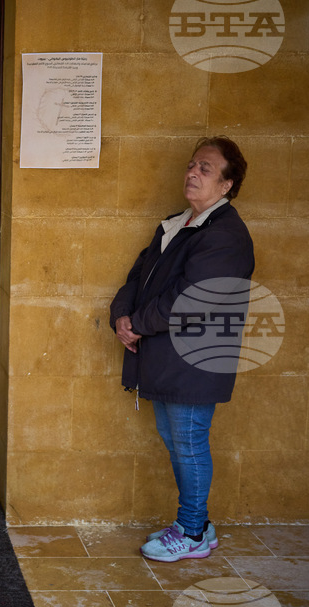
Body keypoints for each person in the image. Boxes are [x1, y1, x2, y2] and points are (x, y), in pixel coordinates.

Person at [109, 136, 254, 563]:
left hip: (194, 361)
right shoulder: (177, 224)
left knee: (188, 443)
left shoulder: (225, 235)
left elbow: (191, 301)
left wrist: (138, 324)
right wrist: (122, 314)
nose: (192, 172)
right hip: (167, 358)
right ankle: (198, 526)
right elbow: (138, 275)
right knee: (176, 441)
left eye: (205, 168)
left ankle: (191, 531)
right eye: (192, 165)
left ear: (226, 185)